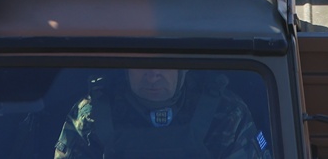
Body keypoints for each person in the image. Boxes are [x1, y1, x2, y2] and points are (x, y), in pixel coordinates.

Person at [53, 68, 273, 159]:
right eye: (142, 64)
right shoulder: (92, 116)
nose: (153, 75)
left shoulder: (226, 113)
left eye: (163, 63)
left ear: (183, 68)